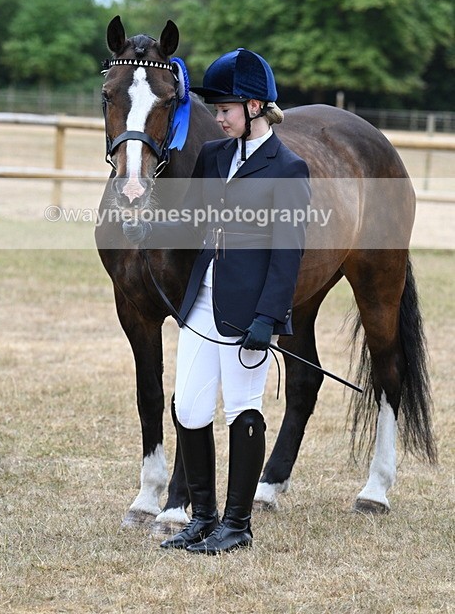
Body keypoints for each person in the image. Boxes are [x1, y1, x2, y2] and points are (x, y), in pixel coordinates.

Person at [123, 48, 310, 554]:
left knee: (243, 410)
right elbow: (195, 225)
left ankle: (237, 524)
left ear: (253, 107)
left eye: (225, 108)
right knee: (190, 405)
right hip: (199, 303)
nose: (217, 117)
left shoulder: (288, 169)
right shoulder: (213, 157)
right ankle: (201, 517)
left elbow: (287, 255)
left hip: (248, 311)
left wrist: (268, 318)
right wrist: (148, 223)